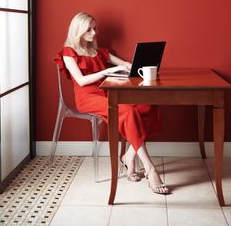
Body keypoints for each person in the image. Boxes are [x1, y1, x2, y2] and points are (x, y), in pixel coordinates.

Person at [60, 12, 169, 194]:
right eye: (89, 29)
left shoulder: (99, 51)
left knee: (147, 104)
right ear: (78, 30)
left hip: (107, 94)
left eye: (95, 28)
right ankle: (150, 168)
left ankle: (129, 156)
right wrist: (106, 72)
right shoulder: (68, 53)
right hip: (87, 98)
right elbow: (81, 81)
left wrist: (134, 66)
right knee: (127, 111)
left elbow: (126, 64)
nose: (94, 33)